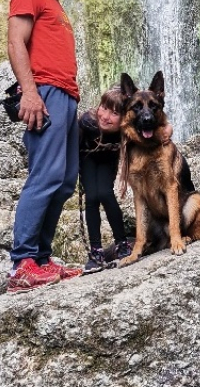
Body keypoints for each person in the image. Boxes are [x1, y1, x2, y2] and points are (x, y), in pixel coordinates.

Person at [6, 0, 82, 293]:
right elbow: (15, 42)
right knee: (46, 175)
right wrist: (31, 92)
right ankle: (23, 263)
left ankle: (42, 259)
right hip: (47, 92)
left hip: (66, 95)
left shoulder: (56, 6)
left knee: (65, 179)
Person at [79, 87, 174, 273]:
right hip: (87, 159)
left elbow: (156, 123)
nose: (106, 116)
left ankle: (122, 243)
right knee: (91, 198)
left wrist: (168, 129)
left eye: (114, 113)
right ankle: (96, 251)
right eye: (104, 108)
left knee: (106, 194)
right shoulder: (87, 122)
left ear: (123, 117)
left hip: (107, 161)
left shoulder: (126, 128)